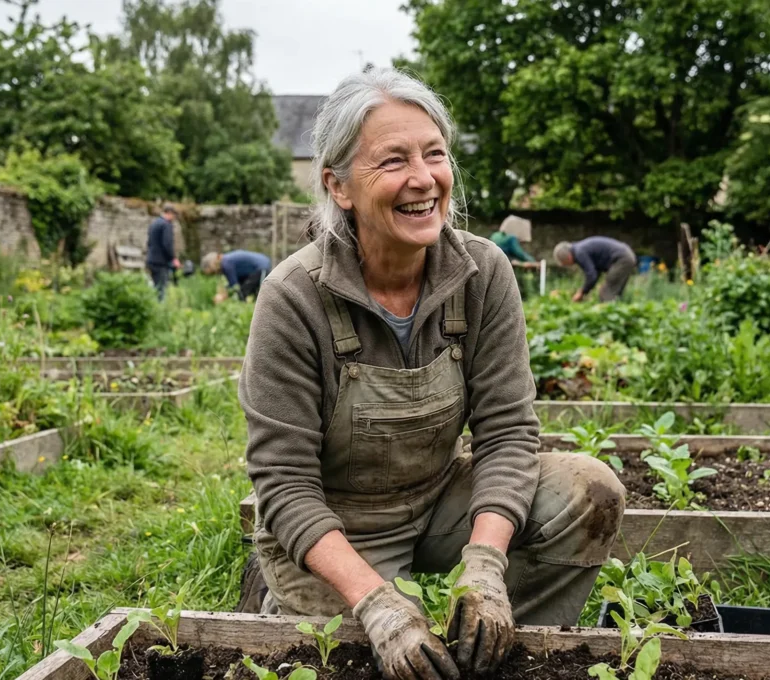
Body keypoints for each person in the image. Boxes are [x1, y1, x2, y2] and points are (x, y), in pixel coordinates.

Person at [240, 69, 624, 680]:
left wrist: (486, 565)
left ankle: (496, 651)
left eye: (435, 154)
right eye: (393, 160)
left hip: (439, 499)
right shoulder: (294, 297)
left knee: (590, 492)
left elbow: (506, 432)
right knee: (356, 661)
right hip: (340, 529)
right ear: (339, 185)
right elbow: (283, 483)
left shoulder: (482, 272)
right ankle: (288, 598)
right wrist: (376, 605)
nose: (423, 179)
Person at [553, 236, 637, 303]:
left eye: (564, 263)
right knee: (614, 293)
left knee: (606, 294)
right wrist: (585, 291)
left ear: (568, 257)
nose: (567, 265)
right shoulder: (579, 249)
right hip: (625, 255)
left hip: (621, 259)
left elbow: (592, 276)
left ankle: (608, 317)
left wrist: (582, 292)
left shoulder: (579, 253)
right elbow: (595, 273)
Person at [202, 250, 272, 303]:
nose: (215, 273)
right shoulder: (226, 261)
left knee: (243, 294)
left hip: (261, 267)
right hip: (255, 269)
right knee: (246, 291)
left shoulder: (226, 263)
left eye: (213, 272)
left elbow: (235, 286)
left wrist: (223, 296)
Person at [145, 205, 181, 301]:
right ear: (169, 213)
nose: (174, 218)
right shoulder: (166, 225)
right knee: (161, 290)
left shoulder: (154, 223)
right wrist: (173, 258)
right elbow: (167, 244)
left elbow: (149, 242)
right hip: (161, 262)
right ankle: (160, 308)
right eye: (174, 216)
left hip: (151, 260)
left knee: (155, 287)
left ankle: (152, 305)